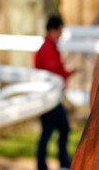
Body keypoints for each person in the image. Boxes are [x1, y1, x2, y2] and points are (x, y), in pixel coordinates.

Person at [34, 15, 73, 170]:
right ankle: (47, 163)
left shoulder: (51, 48)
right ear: (52, 30)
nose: (61, 35)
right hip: (48, 98)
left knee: (61, 130)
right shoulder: (46, 50)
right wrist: (66, 75)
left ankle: (59, 162)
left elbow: (57, 71)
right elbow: (53, 73)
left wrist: (68, 74)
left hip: (53, 98)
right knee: (51, 132)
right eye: (59, 31)